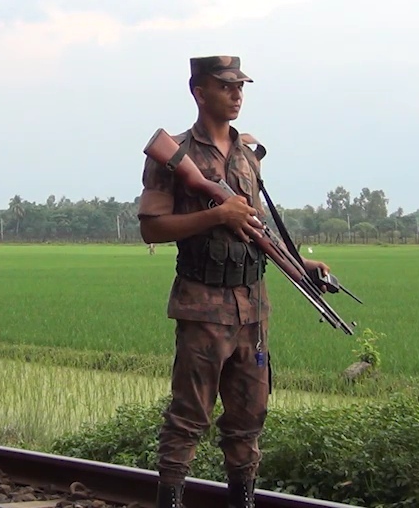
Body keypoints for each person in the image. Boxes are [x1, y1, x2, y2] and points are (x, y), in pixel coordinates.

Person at [137, 56, 330, 508]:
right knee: (188, 417)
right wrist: (217, 215)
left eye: (240, 86)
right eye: (225, 86)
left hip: (252, 310)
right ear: (199, 92)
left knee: (249, 419)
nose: (237, 94)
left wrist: (300, 263)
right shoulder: (175, 154)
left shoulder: (248, 155)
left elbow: (257, 229)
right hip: (203, 306)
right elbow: (152, 228)